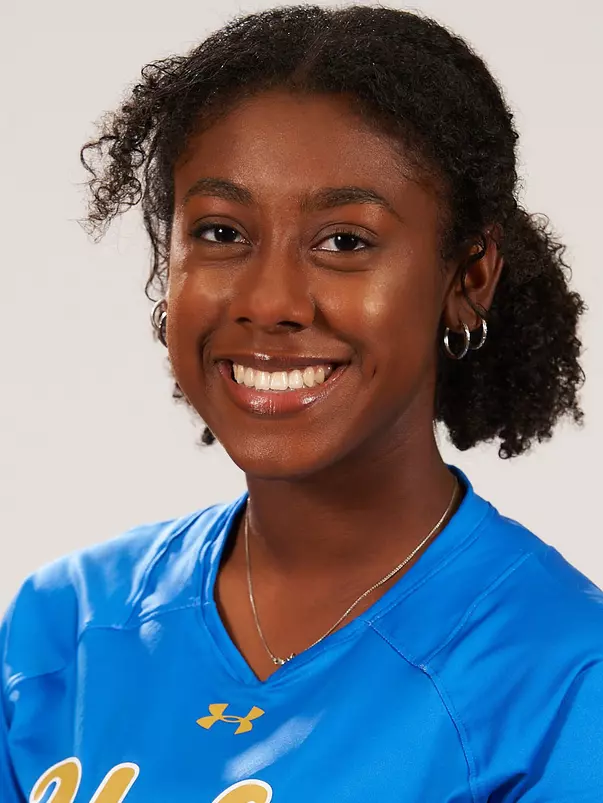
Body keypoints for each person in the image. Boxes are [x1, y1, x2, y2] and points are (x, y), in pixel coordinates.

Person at [2, 4, 601, 801]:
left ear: (468, 275)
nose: (269, 299)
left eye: (343, 241)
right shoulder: (63, 629)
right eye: (220, 233)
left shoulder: (563, 682)